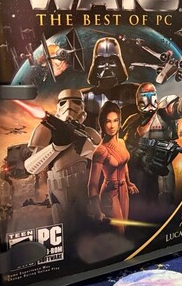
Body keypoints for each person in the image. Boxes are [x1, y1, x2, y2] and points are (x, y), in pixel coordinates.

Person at [24, 89, 101, 233]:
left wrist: (88, 147)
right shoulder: (47, 129)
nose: (69, 106)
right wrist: (55, 147)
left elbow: (106, 159)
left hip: (84, 187)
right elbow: (31, 167)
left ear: (83, 107)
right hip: (59, 189)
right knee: (65, 232)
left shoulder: (89, 132)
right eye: (63, 102)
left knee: (86, 232)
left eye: (76, 102)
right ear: (58, 106)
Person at [88, 101, 138, 233]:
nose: (112, 126)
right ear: (102, 124)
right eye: (108, 121)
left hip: (124, 190)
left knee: (124, 229)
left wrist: (129, 183)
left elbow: (124, 163)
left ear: (119, 122)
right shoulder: (101, 151)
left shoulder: (121, 142)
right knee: (118, 232)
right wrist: (97, 211)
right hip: (110, 193)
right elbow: (92, 184)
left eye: (115, 120)